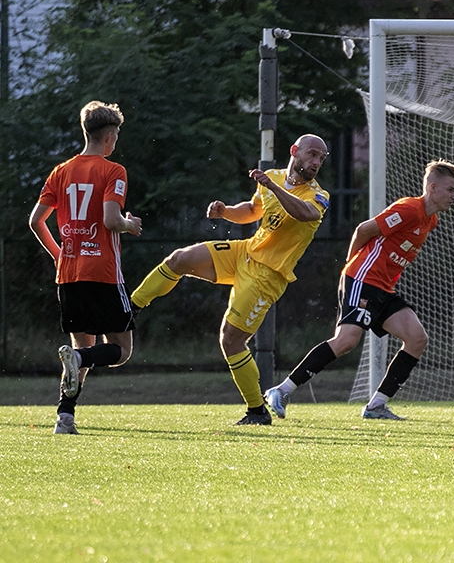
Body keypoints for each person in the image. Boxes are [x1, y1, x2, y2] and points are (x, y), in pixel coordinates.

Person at [129, 134, 331, 425]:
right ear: (294, 151)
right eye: (312, 154)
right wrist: (225, 212)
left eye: (321, 159)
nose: (316, 162)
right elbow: (252, 211)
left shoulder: (318, 194)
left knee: (231, 340)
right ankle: (130, 308)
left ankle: (257, 411)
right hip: (245, 253)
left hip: (267, 275)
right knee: (179, 259)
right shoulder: (273, 177)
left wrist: (272, 186)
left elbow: (304, 213)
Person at [265, 159, 454, 421]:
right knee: (347, 341)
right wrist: (351, 267)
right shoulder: (409, 209)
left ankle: (376, 406)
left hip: (384, 288)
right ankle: (281, 390)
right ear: (433, 187)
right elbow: (364, 230)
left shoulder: (431, 220)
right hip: (362, 278)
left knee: (417, 339)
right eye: (451, 189)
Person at [29, 101, 143, 435]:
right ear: (109, 137)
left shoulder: (60, 171)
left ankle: (64, 417)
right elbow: (110, 219)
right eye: (117, 134)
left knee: (82, 349)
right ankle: (78, 365)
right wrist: (130, 224)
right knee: (120, 351)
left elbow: (36, 221)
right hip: (103, 273)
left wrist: (58, 254)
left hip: (69, 274)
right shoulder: (113, 171)